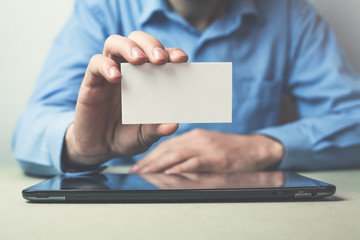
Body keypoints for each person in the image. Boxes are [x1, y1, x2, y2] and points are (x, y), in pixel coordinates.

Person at [13, 0, 360, 176]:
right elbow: (31, 127)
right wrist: (79, 145)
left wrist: (263, 147)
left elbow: (353, 119)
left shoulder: (290, 15)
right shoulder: (102, 9)